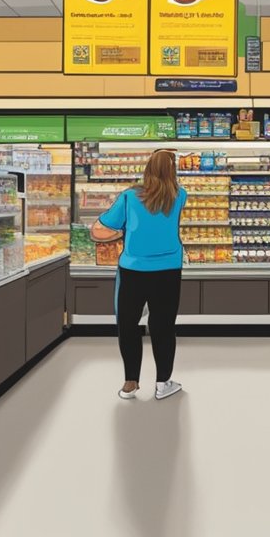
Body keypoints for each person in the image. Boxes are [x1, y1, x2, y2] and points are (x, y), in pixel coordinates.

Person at [91, 149, 188, 401]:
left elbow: (99, 230)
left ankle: (130, 383)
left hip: (133, 270)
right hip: (168, 270)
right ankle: (163, 383)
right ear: (172, 171)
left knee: (128, 325)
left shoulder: (129, 197)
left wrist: (120, 234)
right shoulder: (180, 196)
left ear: (147, 169)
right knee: (163, 326)